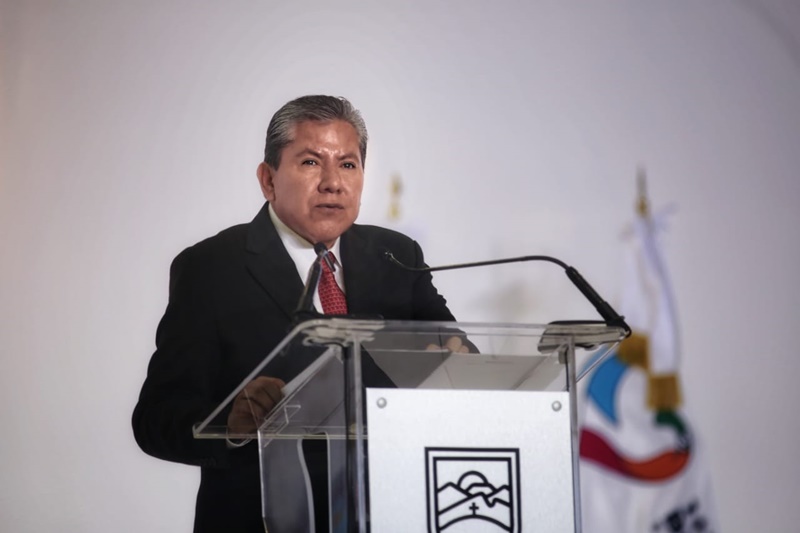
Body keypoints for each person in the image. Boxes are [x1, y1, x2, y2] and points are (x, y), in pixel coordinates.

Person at [132, 95, 466, 532]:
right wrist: (231, 422)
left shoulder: (397, 255)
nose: (333, 183)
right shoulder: (211, 267)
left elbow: (457, 354)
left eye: (348, 164)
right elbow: (156, 419)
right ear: (268, 179)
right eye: (311, 162)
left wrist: (455, 362)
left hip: (392, 513)